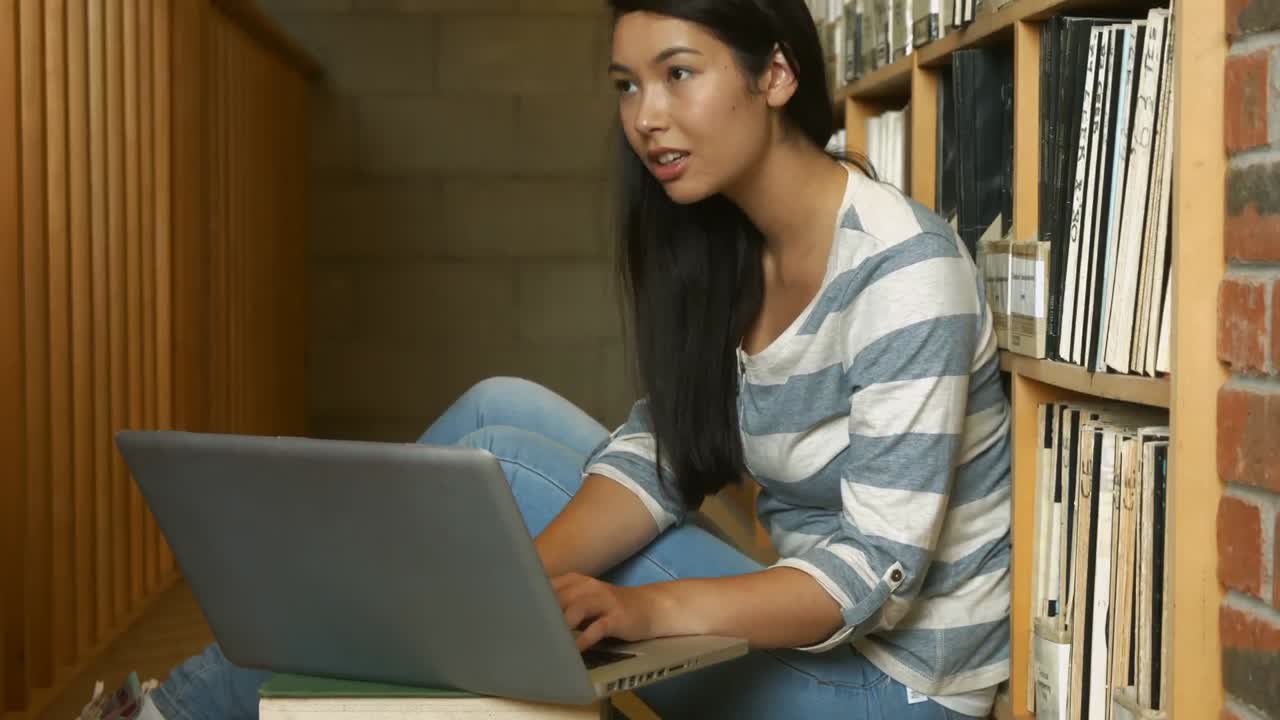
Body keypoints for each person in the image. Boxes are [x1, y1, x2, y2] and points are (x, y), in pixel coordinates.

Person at [86, 1, 1011, 718]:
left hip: (888, 689)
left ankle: (184, 708)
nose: (647, 117)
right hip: (811, 643)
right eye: (626, 85)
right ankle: (386, 634)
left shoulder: (904, 273)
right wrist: (491, 592)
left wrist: (643, 611)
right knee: (500, 409)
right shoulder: (731, 246)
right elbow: (665, 450)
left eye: (677, 74)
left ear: (774, 73)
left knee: (496, 471)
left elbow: (872, 573)